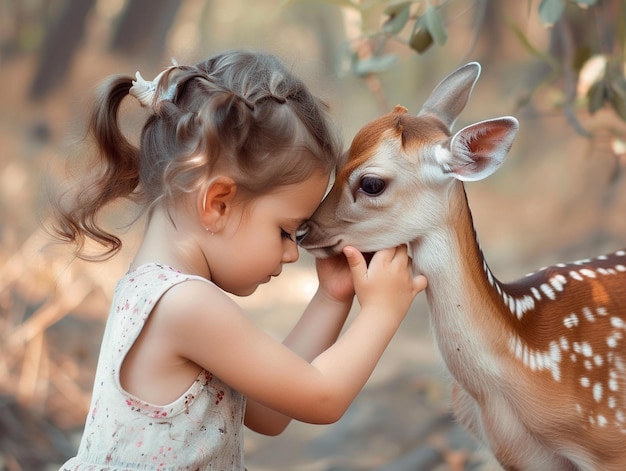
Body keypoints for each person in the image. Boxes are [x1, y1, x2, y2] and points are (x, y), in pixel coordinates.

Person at [51, 49, 427, 470]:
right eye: (286, 231)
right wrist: (381, 312)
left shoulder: (158, 292)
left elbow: (270, 411)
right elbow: (322, 397)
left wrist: (332, 297)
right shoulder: (185, 305)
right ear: (217, 204)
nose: (292, 252)